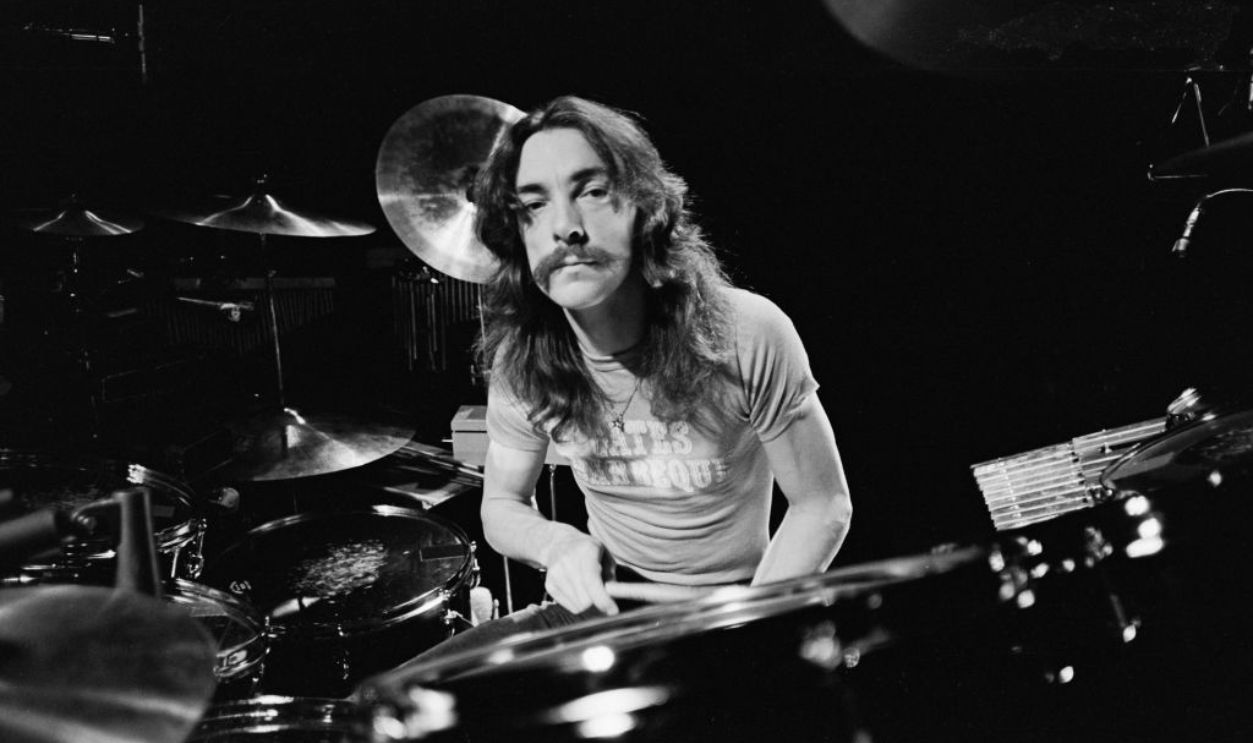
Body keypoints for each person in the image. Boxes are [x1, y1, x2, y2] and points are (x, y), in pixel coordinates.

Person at [432, 95, 851, 653]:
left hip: (736, 605)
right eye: (534, 204)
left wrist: (753, 623)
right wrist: (557, 545)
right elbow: (502, 505)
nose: (565, 227)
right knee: (402, 695)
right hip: (603, 607)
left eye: (592, 191)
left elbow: (822, 505)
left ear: (643, 208)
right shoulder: (522, 360)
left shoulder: (746, 331)